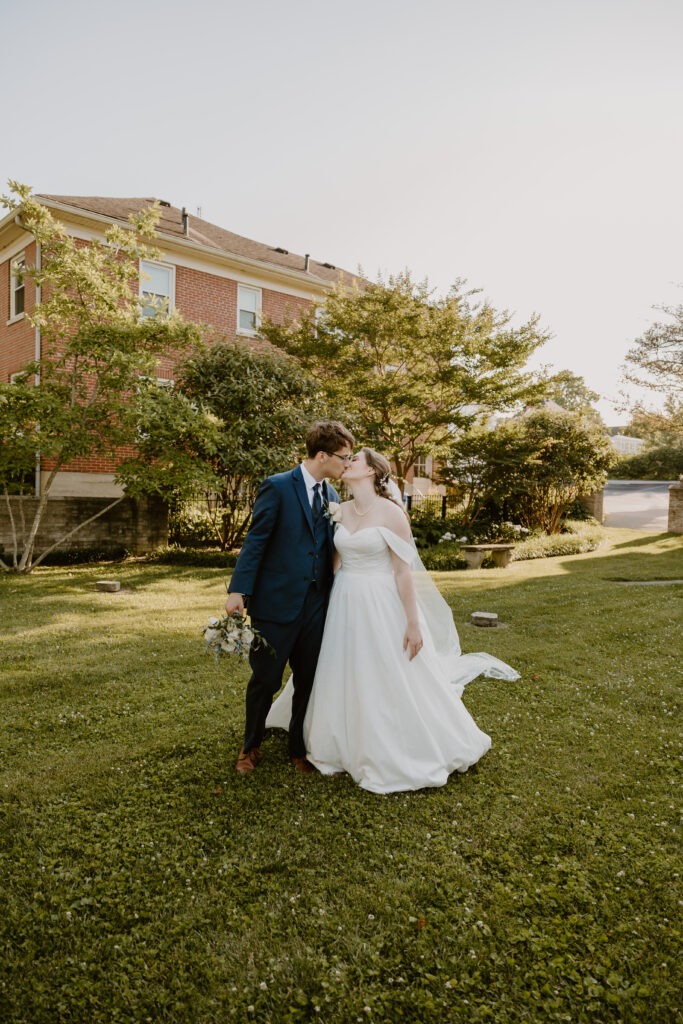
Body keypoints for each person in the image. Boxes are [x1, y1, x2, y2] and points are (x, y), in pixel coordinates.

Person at [266, 447, 520, 793]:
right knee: (343, 667)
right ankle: (337, 736)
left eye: (354, 459)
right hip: (344, 600)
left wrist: (413, 623)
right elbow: (335, 563)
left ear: (371, 472)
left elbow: (403, 572)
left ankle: (390, 742)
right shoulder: (339, 509)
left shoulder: (392, 513)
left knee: (385, 669)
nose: (347, 462)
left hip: (380, 601)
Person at [226, 421, 355, 775]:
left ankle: (299, 747)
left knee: (309, 678)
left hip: (317, 604)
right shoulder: (278, 486)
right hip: (276, 603)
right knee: (265, 679)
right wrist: (238, 589)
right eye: (344, 457)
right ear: (322, 455)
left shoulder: (332, 497)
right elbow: (256, 540)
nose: (348, 464)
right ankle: (250, 746)